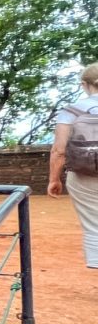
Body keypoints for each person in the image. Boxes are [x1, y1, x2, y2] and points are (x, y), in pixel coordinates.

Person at [49, 62, 98, 268]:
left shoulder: (72, 111)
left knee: (94, 225)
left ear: (84, 85)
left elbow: (59, 150)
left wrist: (54, 179)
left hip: (84, 175)